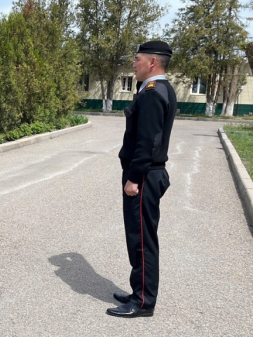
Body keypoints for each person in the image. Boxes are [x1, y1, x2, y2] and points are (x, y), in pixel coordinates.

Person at [107, 41, 176, 318]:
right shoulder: (162, 88)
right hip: (150, 173)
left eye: (137, 59)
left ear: (152, 63)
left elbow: (147, 141)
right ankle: (139, 289)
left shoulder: (151, 93)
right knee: (140, 236)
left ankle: (143, 301)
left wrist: (134, 178)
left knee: (142, 240)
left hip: (144, 176)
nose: (133, 64)